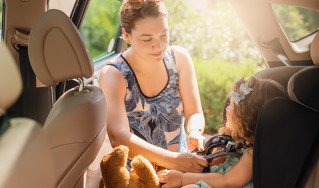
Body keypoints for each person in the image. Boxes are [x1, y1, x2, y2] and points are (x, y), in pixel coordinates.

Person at [99, 0, 207, 173]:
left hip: (180, 170)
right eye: (147, 39)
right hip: (138, 178)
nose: (158, 46)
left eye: (163, 35)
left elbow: (194, 112)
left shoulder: (179, 58)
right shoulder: (114, 74)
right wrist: (175, 161)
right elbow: (118, 137)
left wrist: (193, 131)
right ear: (127, 36)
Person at [158, 77, 287, 188]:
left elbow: (227, 182)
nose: (227, 108)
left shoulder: (253, 155)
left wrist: (182, 178)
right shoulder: (237, 143)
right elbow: (213, 162)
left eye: (231, 105)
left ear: (246, 118)